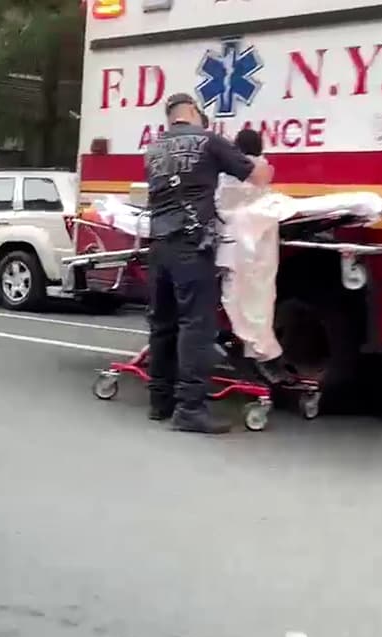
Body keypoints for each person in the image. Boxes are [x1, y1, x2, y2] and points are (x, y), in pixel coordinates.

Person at [144, 93, 273, 433]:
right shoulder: (208, 140)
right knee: (195, 326)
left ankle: (160, 401)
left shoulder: (154, 148)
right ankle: (190, 409)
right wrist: (261, 163)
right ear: (192, 112)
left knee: (163, 324)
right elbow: (257, 176)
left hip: (158, 244)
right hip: (191, 245)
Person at [215, 128, 291, 385]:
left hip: (233, 249)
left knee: (237, 301)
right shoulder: (263, 171)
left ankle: (250, 349)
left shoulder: (227, 175)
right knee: (260, 301)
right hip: (260, 250)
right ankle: (259, 353)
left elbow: (219, 206)